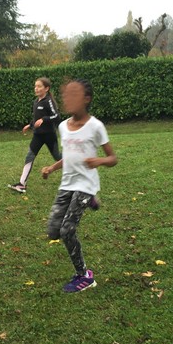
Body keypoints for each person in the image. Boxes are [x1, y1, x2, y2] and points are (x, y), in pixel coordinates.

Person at [42, 79, 117, 293]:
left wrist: (99, 161)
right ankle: (90, 201)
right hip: (67, 184)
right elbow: (69, 155)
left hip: (85, 184)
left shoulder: (96, 126)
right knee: (53, 231)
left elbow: (113, 158)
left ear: (86, 99)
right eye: (66, 95)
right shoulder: (63, 126)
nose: (68, 99)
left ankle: (84, 276)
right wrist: (52, 168)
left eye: (74, 95)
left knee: (67, 230)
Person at [8, 77, 61, 194]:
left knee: (58, 157)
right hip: (38, 136)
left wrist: (44, 119)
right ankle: (22, 184)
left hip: (49, 135)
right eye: (35, 86)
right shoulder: (36, 102)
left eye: (39, 86)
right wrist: (30, 125)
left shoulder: (48, 101)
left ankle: (76, 168)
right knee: (29, 157)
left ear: (46, 88)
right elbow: (36, 119)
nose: (36, 88)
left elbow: (56, 116)